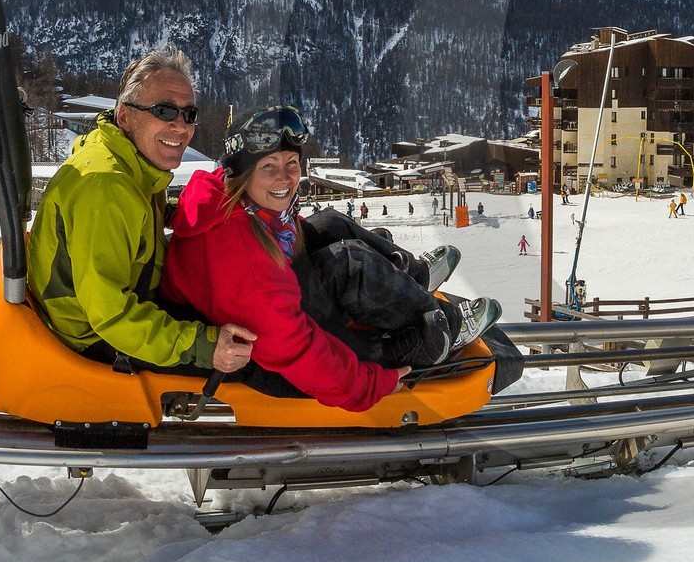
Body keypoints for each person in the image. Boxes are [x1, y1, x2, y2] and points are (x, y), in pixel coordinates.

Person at [162, 106, 502, 412]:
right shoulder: (243, 260)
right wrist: (371, 384)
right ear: (242, 174)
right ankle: (440, 332)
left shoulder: (232, 200)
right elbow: (300, 352)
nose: (284, 177)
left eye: (291, 163)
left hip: (255, 318)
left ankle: (413, 278)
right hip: (264, 362)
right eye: (268, 166)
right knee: (351, 264)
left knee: (328, 223)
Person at [26, 46, 255, 375]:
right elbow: (111, 314)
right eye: (164, 111)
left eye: (188, 114)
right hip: (97, 335)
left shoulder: (128, 160)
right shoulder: (106, 186)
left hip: (126, 303)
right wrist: (204, 346)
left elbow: (136, 219)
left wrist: (202, 210)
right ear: (124, 115)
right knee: (258, 359)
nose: (181, 127)